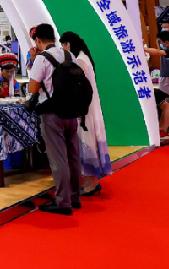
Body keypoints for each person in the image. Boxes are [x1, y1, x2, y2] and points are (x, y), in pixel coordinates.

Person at [29, 23, 83, 215]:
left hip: (52, 112)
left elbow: (33, 89)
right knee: (73, 156)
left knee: (58, 158)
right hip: (72, 111)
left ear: (38, 40)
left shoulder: (42, 58)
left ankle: (62, 202)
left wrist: (33, 63)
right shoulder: (69, 55)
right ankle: (75, 197)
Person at [61, 31, 111, 196]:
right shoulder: (84, 57)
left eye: (63, 46)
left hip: (85, 106)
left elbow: (80, 86)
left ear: (68, 44)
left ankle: (92, 181)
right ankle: (90, 180)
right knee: (87, 141)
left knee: (87, 141)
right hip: (88, 105)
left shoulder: (80, 60)